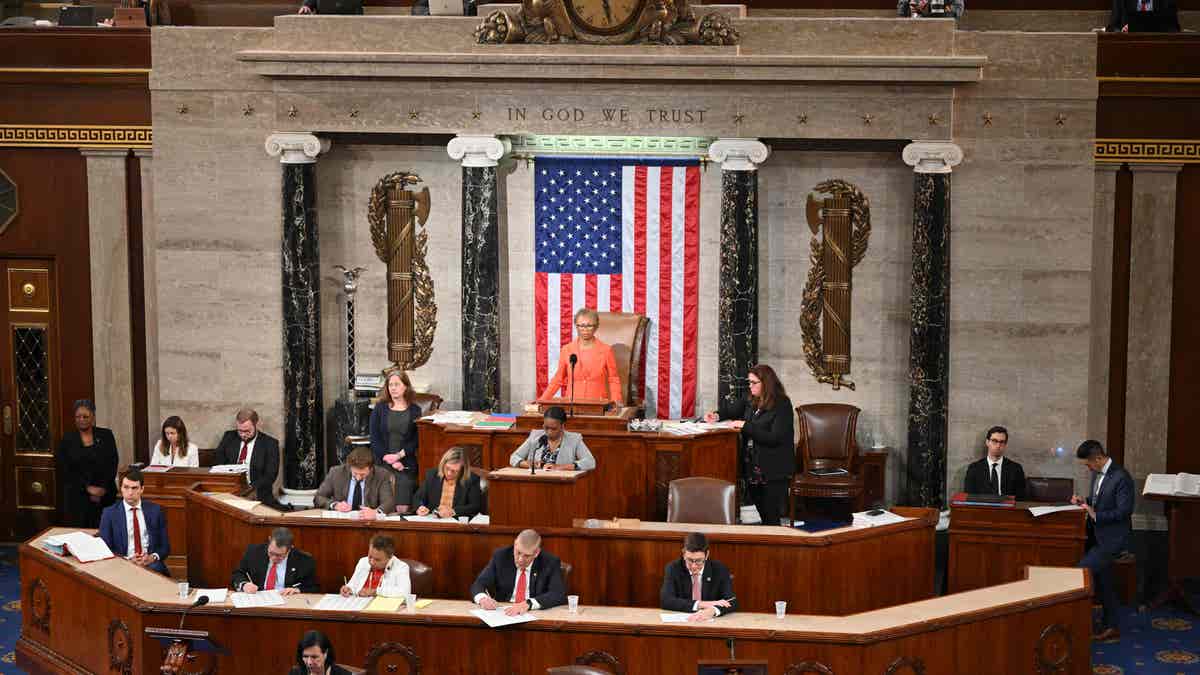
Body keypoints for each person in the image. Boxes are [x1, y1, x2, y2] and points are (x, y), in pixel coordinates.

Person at [703, 364, 794, 526]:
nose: (750, 386)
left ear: (766, 383)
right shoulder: (751, 398)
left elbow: (775, 437)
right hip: (753, 466)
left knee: (771, 515)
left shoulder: (782, 404)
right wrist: (716, 415)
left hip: (773, 468)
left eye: (754, 383)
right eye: (749, 382)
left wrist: (745, 426)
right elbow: (731, 410)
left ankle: (774, 543)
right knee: (763, 512)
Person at [1070, 440, 1134, 643]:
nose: (1087, 468)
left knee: (1081, 571)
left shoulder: (1121, 477)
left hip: (1113, 539)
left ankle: (1078, 623)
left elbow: (1124, 511)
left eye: (1088, 464)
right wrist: (1085, 502)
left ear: (1098, 458)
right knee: (1105, 582)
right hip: (1097, 537)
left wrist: (1095, 514)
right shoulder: (1098, 473)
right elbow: (1098, 500)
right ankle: (1111, 626)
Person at [539, 308, 624, 407]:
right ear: (576, 326)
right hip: (572, 405)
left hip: (598, 405)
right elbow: (558, 379)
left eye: (589, 326)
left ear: (596, 327)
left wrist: (616, 402)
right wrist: (542, 400)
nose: (585, 329)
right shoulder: (567, 350)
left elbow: (613, 379)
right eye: (581, 326)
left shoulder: (606, 350)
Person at [470, 529, 566, 615]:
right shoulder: (501, 557)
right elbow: (479, 583)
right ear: (515, 543)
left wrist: (529, 603)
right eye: (518, 552)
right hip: (503, 613)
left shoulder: (550, 562)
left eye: (526, 556)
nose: (520, 559)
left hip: (533, 614)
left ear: (536, 553)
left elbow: (557, 593)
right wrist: (482, 598)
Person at [56, 399, 119, 528]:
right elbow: (65, 468)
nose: (81, 419)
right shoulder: (67, 439)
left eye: (85, 416)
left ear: (93, 417)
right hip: (78, 495)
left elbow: (112, 462)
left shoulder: (106, 435)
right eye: (78, 417)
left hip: (105, 493)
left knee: (105, 532)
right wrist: (87, 489)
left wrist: (102, 488)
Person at [368, 369, 421, 512]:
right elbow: (374, 437)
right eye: (390, 385)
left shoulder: (415, 410)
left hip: (405, 463)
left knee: (403, 488)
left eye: (397, 384)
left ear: (406, 386)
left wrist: (398, 457)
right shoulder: (380, 408)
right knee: (383, 485)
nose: (393, 388)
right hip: (381, 460)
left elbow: (416, 440)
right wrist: (388, 458)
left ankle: (400, 526)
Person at [98, 469, 170, 574]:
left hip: (150, 564)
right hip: (122, 564)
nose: (130, 492)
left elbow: (165, 547)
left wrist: (152, 557)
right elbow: (105, 549)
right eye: (126, 487)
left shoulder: (155, 511)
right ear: (121, 489)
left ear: (142, 489)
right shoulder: (109, 514)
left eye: (134, 488)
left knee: (157, 569)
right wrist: (127, 560)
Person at [215, 408, 284, 508]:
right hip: (230, 491)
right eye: (240, 431)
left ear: (256, 425)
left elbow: (270, 475)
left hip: (258, 493)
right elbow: (218, 463)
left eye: (247, 431)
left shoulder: (270, 444)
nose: (243, 435)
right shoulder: (228, 437)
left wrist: (250, 489)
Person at [660, 532, 737, 622]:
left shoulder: (719, 569)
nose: (693, 566)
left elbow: (732, 601)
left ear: (707, 555)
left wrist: (712, 610)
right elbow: (666, 600)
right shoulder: (674, 568)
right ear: (684, 553)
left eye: (698, 561)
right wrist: (702, 604)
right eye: (689, 560)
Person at [231, 527, 318, 594]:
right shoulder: (254, 552)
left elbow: (313, 587)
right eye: (271, 553)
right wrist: (244, 585)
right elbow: (238, 573)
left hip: (286, 601)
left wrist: (297, 590)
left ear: (290, 548)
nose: (273, 558)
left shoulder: (304, 560)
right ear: (269, 540)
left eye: (279, 555)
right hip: (257, 598)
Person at [314, 447, 395, 519]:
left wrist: (376, 512)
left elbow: (389, 502)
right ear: (350, 466)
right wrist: (335, 505)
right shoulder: (336, 472)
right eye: (355, 473)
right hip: (342, 522)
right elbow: (319, 497)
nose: (358, 477)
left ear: (371, 468)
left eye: (362, 474)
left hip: (369, 523)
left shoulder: (382, 475)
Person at [508, 406, 596, 471]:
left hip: (562, 484)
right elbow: (514, 458)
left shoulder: (574, 439)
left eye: (554, 429)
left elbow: (590, 462)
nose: (549, 432)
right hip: (535, 483)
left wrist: (561, 467)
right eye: (546, 428)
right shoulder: (535, 436)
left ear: (562, 426)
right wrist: (530, 465)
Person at [413, 446, 483, 519]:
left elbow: (475, 506)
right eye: (447, 468)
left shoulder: (471, 479)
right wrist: (420, 507)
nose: (449, 473)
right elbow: (418, 497)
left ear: (463, 469)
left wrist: (453, 511)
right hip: (433, 520)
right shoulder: (432, 475)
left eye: (455, 471)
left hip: (456, 522)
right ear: (443, 464)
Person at [962, 425, 1027, 499]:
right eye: (994, 441)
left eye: (1002, 442)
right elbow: (969, 497)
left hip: (1007, 509)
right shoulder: (974, 469)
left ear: (1005, 445)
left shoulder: (1016, 469)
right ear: (987, 442)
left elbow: (1021, 499)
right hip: (982, 509)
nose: (998, 445)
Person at [339, 534, 411, 598]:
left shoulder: (401, 567)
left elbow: (405, 593)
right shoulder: (363, 562)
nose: (372, 562)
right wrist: (348, 589)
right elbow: (353, 585)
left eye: (377, 560)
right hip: (359, 605)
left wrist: (375, 592)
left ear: (390, 557)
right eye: (370, 556)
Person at [288, 630, 354, 675]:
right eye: (305, 656)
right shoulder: (295, 673)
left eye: (314, 657)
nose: (309, 662)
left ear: (326, 653)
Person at [1106, 0, 1180, 32]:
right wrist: (1122, 32)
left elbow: (1173, 27)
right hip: (1128, 48)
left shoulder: (1168, 1)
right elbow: (1112, 27)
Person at [896, 0, 964, 19]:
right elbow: (901, 12)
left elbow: (958, 10)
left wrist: (940, 9)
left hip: (942, 30)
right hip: (916, 29)